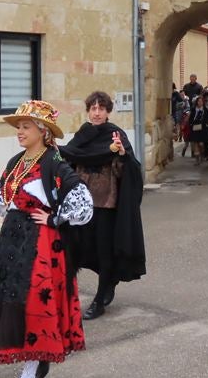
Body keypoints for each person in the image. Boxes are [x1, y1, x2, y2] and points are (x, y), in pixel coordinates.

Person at [0, 101, 94, 378]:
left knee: (35, 302)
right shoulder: (15, 162)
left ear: (43, 132)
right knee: (11, 300)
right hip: (12, 241)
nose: (20, 132)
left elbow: (83, 203)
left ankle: (29, 373)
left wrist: (54, 218)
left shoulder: (54, 164)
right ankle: (32, 360)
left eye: (26, 127)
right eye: (19, 127)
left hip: (41, 245)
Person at [60, 91, 146, 322]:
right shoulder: (82, 134)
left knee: (104, 251)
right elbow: (69, 158)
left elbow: (126, 171)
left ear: (108, 111)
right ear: (88, 111)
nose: (96, 113)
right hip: (81, 204)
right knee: (78, 249)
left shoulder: (115, 135)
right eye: (93, 109)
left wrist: (120, 154)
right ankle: (78, 293)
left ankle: (99, 299)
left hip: (105, 204)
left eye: (101, 109)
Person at [188, 93, 208, 165]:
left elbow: (207, 118)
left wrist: (207, 123)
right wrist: (191, 124)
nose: (200, 103)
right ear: (196, 102)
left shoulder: (205, 110)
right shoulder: (193, 109)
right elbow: (191, 118)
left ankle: (202, 154)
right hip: (194, 128)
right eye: (198, 101)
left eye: (201, 101)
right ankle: (197, 159)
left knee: (201, 144)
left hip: (202, 128)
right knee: (195, 143)